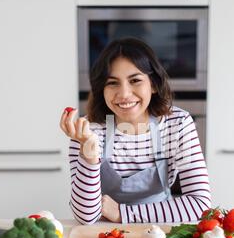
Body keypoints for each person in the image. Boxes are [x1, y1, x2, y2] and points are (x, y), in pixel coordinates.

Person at [60, 38, 211, 224]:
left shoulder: (178, 125)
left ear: (154, 85)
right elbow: (86, 216)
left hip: (159, 231)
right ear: (102, 89)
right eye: (113, 83)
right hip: (104, 235)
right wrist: (88, 151)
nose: (124, 94)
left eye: (135, 80)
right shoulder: (87, 131)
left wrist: (123, 214)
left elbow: (200, 205)